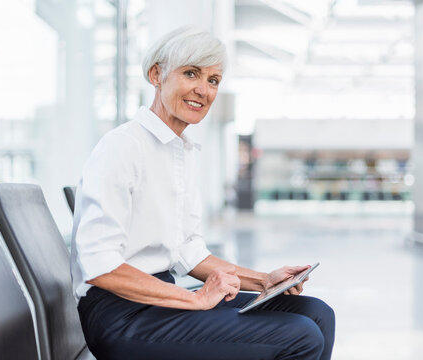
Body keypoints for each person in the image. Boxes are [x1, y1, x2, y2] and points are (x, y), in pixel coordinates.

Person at [70, 27, 335, 360]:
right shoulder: (122, 147)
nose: (203, 90)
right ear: (156, 75)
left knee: (317, 313)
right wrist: (195, 300)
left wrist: (264, 281)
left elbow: (187, 252)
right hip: (121, 317)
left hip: (161, 299)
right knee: (300, 336)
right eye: (191, 73)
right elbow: (100, 265)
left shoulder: (180, 151)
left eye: (213, 80)